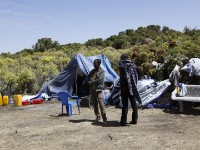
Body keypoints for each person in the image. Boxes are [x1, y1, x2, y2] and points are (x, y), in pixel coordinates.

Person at [118, 53, 142, 126]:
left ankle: (123, 121)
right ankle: (134, 120)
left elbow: (122, 77)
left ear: (122, 58)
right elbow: (137, 74)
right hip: (132, 87)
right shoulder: (133, 65)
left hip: (124, 87)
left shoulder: (121, 65)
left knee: (125, 104)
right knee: (134, 104)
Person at [88, 59, 107, 124]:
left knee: (101, 105)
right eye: (93, 63)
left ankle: (105, 119)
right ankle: (98, 116)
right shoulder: (92, 71)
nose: (94, 65)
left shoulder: (102, 71)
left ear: (99, 64)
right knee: (95, 105)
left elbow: (100, 80)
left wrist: (91, 82)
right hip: (92, 90)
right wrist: (88, 81)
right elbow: (88, 76)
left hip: (98, 90)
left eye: (95, 64)